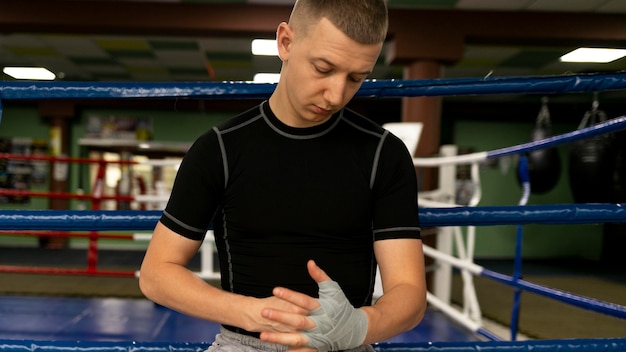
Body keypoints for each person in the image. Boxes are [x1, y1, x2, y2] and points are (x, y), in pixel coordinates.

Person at [139, 0, 427, 350]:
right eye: (323, 69)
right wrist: (252, 313)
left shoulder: (384, 154)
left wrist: (359, 326)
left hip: (347, 343)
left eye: (356, 78)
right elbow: (156, 274)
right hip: (243, 344)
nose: (336, 95)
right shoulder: (221, 149)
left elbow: (409, 291)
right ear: (286, 43)